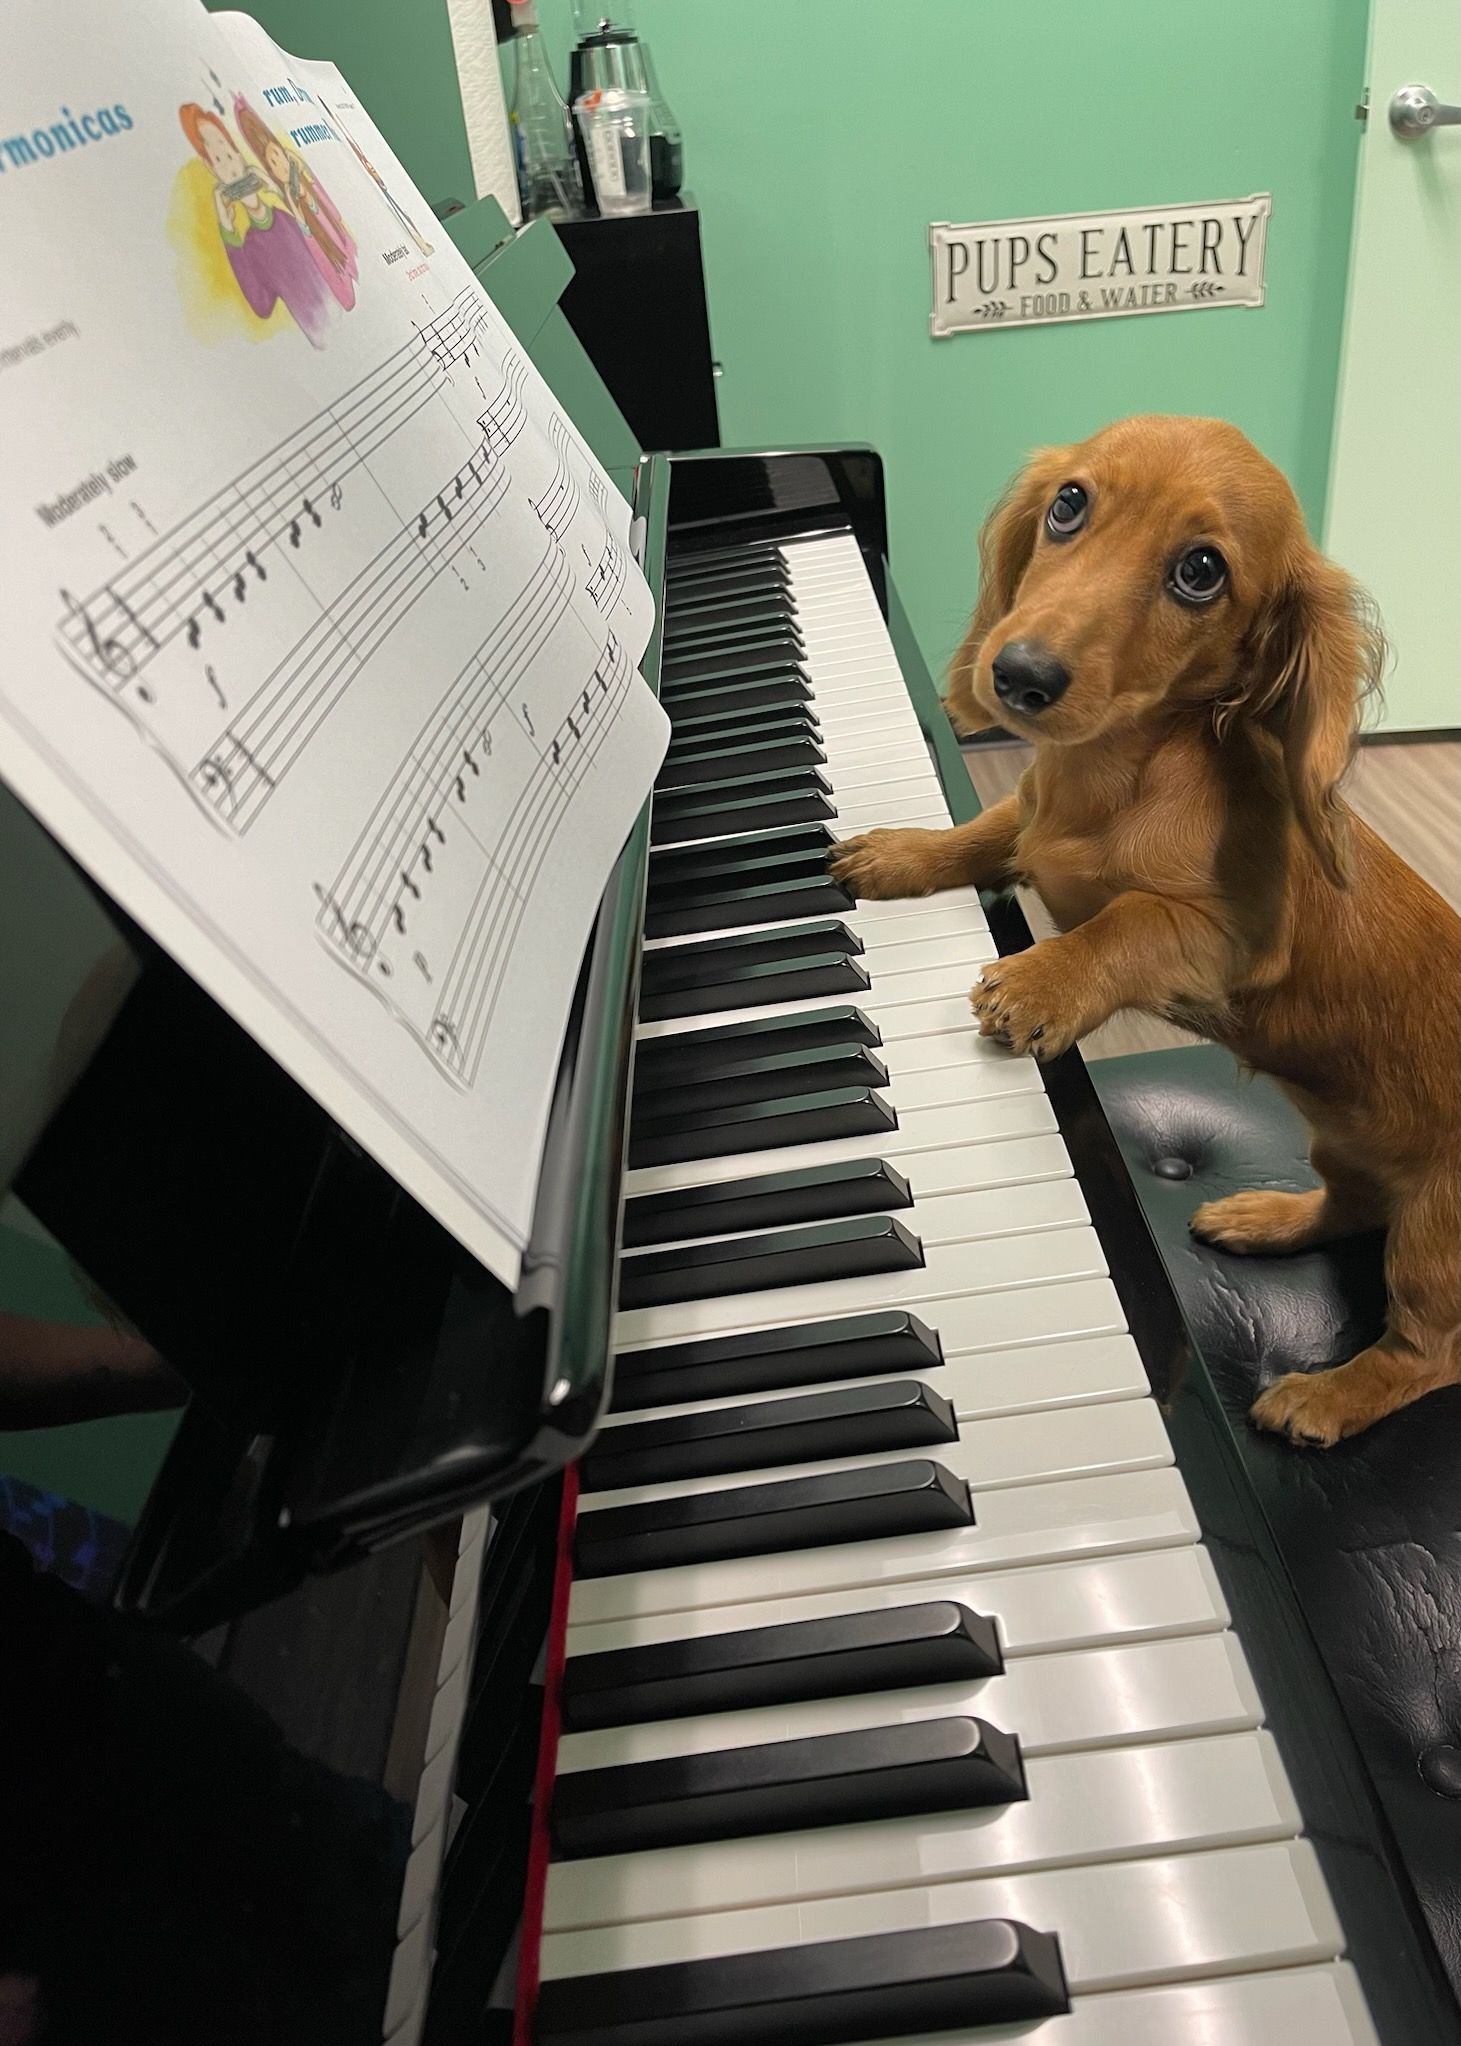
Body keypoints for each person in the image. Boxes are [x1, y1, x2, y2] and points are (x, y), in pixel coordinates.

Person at [178, 103, 335, 348]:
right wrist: (228, 232)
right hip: (323, 339)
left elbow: (321, 239)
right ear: (212, 169)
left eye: (229, 155)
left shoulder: (285, 214)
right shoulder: (249, 246)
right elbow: (261, 305)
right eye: (218, 160)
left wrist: (278, 193)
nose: (229, 166)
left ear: (240, 156)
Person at [234, 99, 358, 311]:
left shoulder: (309, 186)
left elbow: (337, 220)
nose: (280, 165)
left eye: (280, 156)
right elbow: (347, 301)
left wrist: (308, 187)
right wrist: (301, 217)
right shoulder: (289, 212)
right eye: (273, 163)